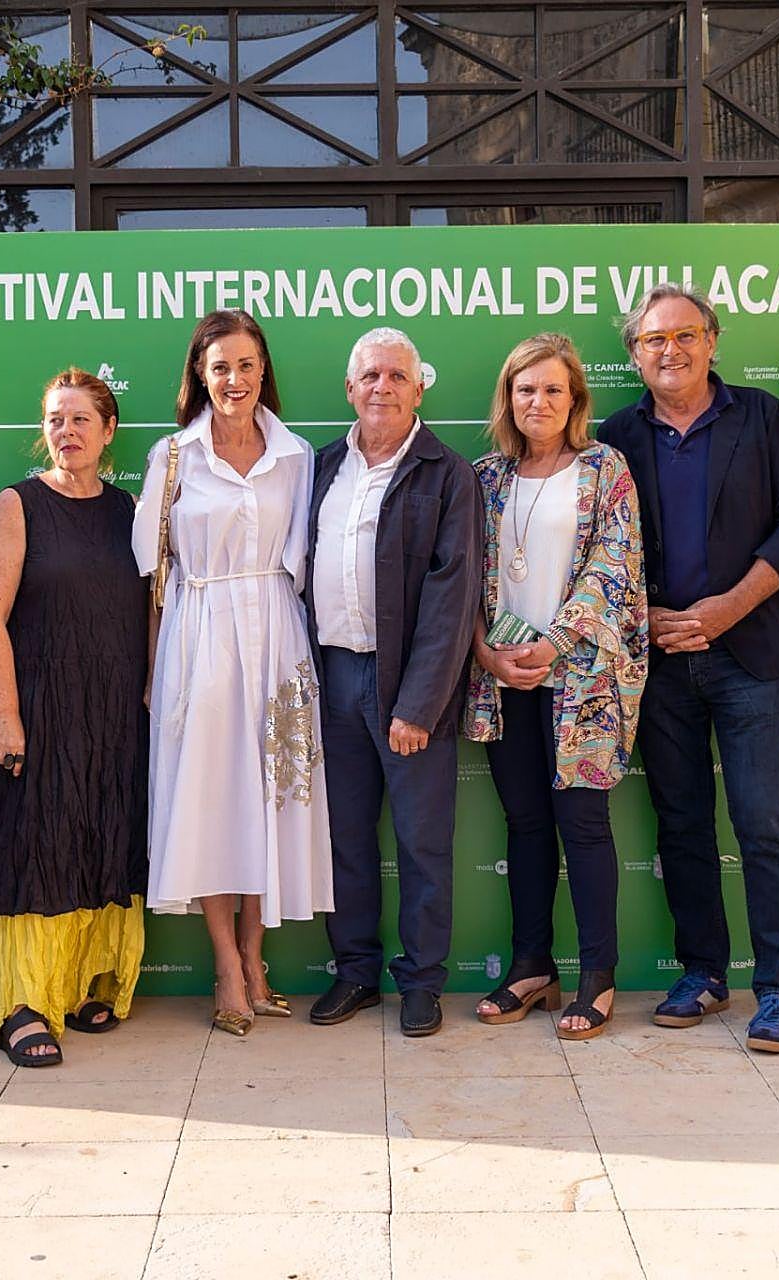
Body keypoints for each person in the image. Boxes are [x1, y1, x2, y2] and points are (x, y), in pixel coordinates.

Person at [596, 283, 779, 1054]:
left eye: (685, 335)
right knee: (682, 821)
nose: (671, 350)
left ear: (712, 341)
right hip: (660, 659)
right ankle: (702, 972)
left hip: (750, 653)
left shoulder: (760, 417)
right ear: (635, 354)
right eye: (654, 339)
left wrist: (731, 606)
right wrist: (646, 615)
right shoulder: (618, 434)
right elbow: (600, 545)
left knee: (762, 821)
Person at [132, 309, 332, 1037]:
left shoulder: (296, 455)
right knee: (212, 799)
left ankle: (256, 959)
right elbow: (153, 576)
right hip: (201, 634)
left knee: (271, 800)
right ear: (200, 373)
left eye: (247, 365)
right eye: (220, 366)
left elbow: (307, 561)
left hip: (277, 635)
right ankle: (225, 965)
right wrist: (154, 668)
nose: (235, 379)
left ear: (263, 370)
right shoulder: (172, 458)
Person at [464, 334, 648, 1041]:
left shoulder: (605, 469)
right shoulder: (485, 478)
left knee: (584, 824)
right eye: (525, 389)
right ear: (507, 399)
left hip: (584, 681)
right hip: (503, 676)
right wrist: (486, 651)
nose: (537, 402)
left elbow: (614, 565)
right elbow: (463, 578)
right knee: (525, 824)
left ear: (575, 400)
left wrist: (555, 642)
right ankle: (531, 966)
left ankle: (598, 973)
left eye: (552, 390)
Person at [0, 368, 149, 1067]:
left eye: (80, 420)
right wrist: (6, 716)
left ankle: (83, 981)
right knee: (34, 844)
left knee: (101, 835)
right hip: (38, 707)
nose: (66, 432)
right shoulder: (18, 505)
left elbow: (150, 607)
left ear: (108, 431)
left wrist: (149, 690)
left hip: (111, 713)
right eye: (55, 419)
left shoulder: (129, 509)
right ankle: (23, 1002)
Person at [308, 327, 482, 1039]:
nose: (383, 387)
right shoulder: (321, 466)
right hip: (332, 676)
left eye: (397, 376)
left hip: (409, 686)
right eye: (371, 376)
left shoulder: (448, 474)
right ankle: (354, 971)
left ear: (419, 389)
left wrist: (418, 705)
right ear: (350, 389)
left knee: (422, 843)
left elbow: (452, 599)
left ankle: (421, 983)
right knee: (345, 838)